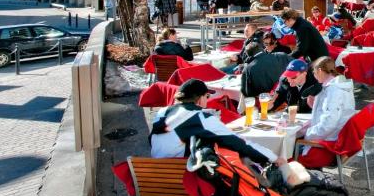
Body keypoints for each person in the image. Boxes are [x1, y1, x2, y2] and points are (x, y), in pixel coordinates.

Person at [150, 79, 285, 167]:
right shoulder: (201, 118)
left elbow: (152, 139)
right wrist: (273, 157)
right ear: (199, 98)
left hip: (154, 173)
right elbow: (239, 143)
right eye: (207, 97)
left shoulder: (162, 111)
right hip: (182, 174)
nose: (207, 100)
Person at [293, 58, 358, 169]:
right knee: (295, 137)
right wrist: (315, 107)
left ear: (320, 70)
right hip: (338, 140)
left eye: (314, 72)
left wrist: (306, 133)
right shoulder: (340, 85)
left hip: (329, 146)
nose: (314, 75)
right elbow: (333, 113)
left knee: (286, 152)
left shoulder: (334, 90)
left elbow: (328, 125)